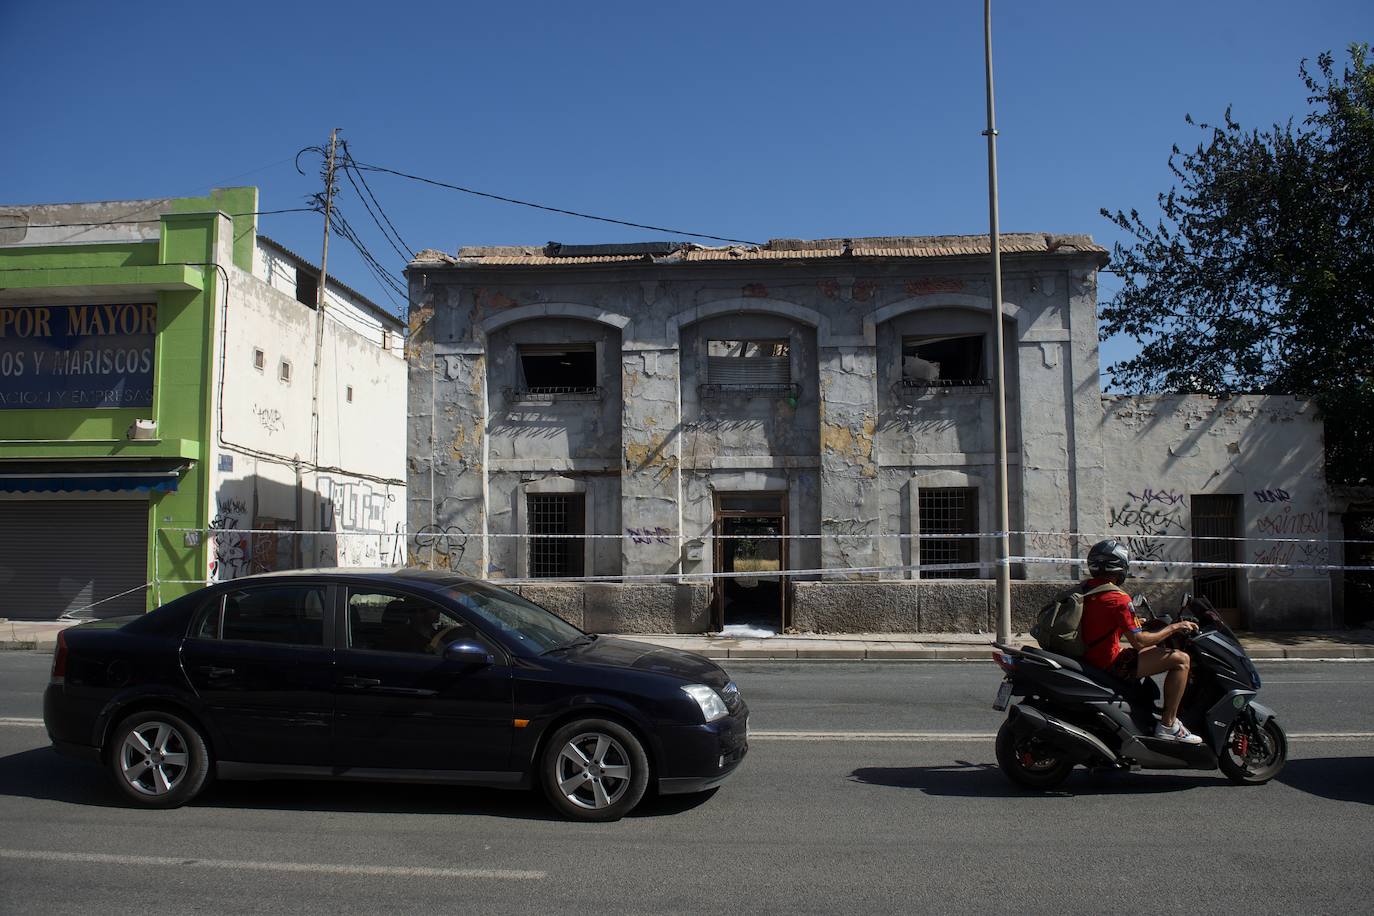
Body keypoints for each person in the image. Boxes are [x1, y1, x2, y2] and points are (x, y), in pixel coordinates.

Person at [1078, 539, 1202, 744]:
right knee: (1181, 659)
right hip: (1110, 664)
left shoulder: (1086, 589)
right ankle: (1168, 725)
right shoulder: (1118, 598)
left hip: (1090, 658)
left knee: (1154, 649)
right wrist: (1175, 627)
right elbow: (1140, 642)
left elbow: (1099, 623)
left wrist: (1133, 623)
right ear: (1120, 566)